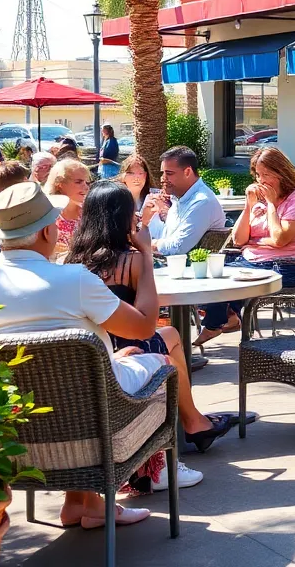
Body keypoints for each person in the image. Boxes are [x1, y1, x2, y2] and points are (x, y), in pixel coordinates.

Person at [0, 182, 168, 529]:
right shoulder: (75, 280)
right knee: (160, 361)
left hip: (10, 433)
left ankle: (81, 503)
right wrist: (144, 258)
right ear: (45, 231)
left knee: (89, 375)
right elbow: (144, 327)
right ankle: (119, 489)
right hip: (93, 422)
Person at [67, 181, 229, 488]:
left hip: (96, 348)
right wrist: (143, 253)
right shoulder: (130, 259)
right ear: (122, 217)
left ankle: (194, 422)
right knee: (170, 336)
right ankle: (190, 425)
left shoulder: (74, 260)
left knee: (169, 334)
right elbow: (147, 318)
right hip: (128, 348)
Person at [196, 148, 295, 346]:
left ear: (282, 173)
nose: (261, 180)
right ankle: (228, 316)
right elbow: (239, 239)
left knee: (227, 278)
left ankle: (213, 324)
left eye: (267, 175)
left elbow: (279, 240)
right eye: (258, 175)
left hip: (286, 267)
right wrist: (249, 204)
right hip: (253, 261)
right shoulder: (258, 202)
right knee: (208, 272)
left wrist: (271, 205)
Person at [140, 146, 226, 257]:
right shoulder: (178, 198)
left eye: (169, 173)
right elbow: (166, 235)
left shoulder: (202, 202)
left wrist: (145, 244)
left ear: (187, 172)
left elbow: (178, 247)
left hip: (189, 269)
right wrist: (145, 221)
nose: (162, 178)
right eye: (163, 173)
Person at [45, 158, 91, 259]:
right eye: (79, 182)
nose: (86, 187)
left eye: (87, 182)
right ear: (60, 183)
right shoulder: (47, 214)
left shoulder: (89, 211)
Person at [117, 152, 164, 237]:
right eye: (131, 173)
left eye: (140, 173)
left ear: (146, 175)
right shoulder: (116, 201)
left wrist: (164, 212)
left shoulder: (154, 198)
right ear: (123, 176)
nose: (136, 177)